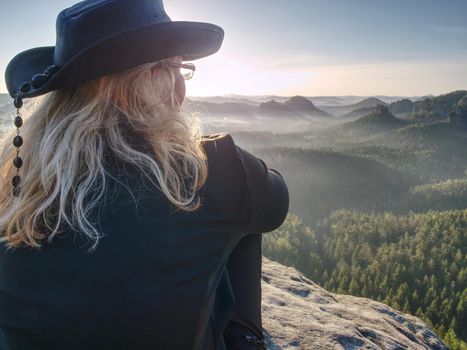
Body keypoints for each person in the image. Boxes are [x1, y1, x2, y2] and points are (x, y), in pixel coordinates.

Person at [0, 0, 289, 349]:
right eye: (178, 68)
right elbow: (276, 201)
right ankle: (247, 340)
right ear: (158, 75)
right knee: (245, 211)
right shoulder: (212, 168)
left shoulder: (14, 177)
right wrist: (225, 162)